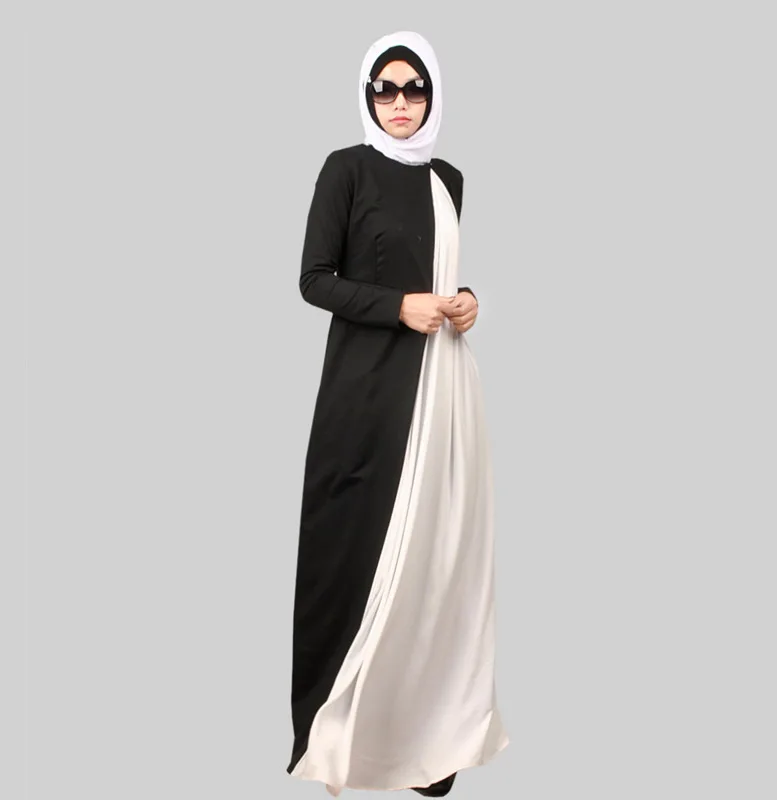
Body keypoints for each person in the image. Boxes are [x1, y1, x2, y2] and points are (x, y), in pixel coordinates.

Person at [287, 30, 509, 796]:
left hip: (441, 389)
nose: (401, 102)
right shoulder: (345, 169)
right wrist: (398, 307)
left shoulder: (449, 179)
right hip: (365, 395)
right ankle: (342, 736)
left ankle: (429, 737)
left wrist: (465, 299)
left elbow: (436, 274)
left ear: (433, 95)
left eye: (416, 88)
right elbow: (314, 278)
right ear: (368, 95)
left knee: (437, 560)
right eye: (385, 88)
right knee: (354, 553)